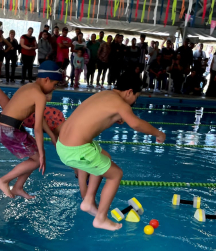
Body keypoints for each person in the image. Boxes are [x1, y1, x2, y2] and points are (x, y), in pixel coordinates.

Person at [56, 73, 166, 231]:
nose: (135, 102)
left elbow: (95, 119)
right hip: (76, 150)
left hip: (63, 145)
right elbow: (135, 124)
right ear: (129, 92)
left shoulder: (105, 94)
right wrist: (158, 133)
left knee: (105, 157)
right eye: (136, 97)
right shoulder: (120, 103)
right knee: (115, 174)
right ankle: (100, 218)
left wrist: (115, 117)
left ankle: (88, 201)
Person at [0, 61, 61, 199]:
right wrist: (42, 154)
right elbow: (38, 128)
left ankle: (18, 187)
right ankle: (3, 181)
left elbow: (41, 120)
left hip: (5, 127)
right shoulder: (39, 96)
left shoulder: (29, 87)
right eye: (54, 85)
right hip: (8, 129)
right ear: (47, 79)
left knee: (34, 154)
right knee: (36, 160)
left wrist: (52, 136)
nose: (54, 88)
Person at [0, 69, 61, 141]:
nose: (54, 88)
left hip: (29, 116)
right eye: (55, 85)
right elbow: (39, 125)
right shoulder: (42, 97)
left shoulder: (37, 90)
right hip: (27, 117)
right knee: (6, 105)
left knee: (6, 104)